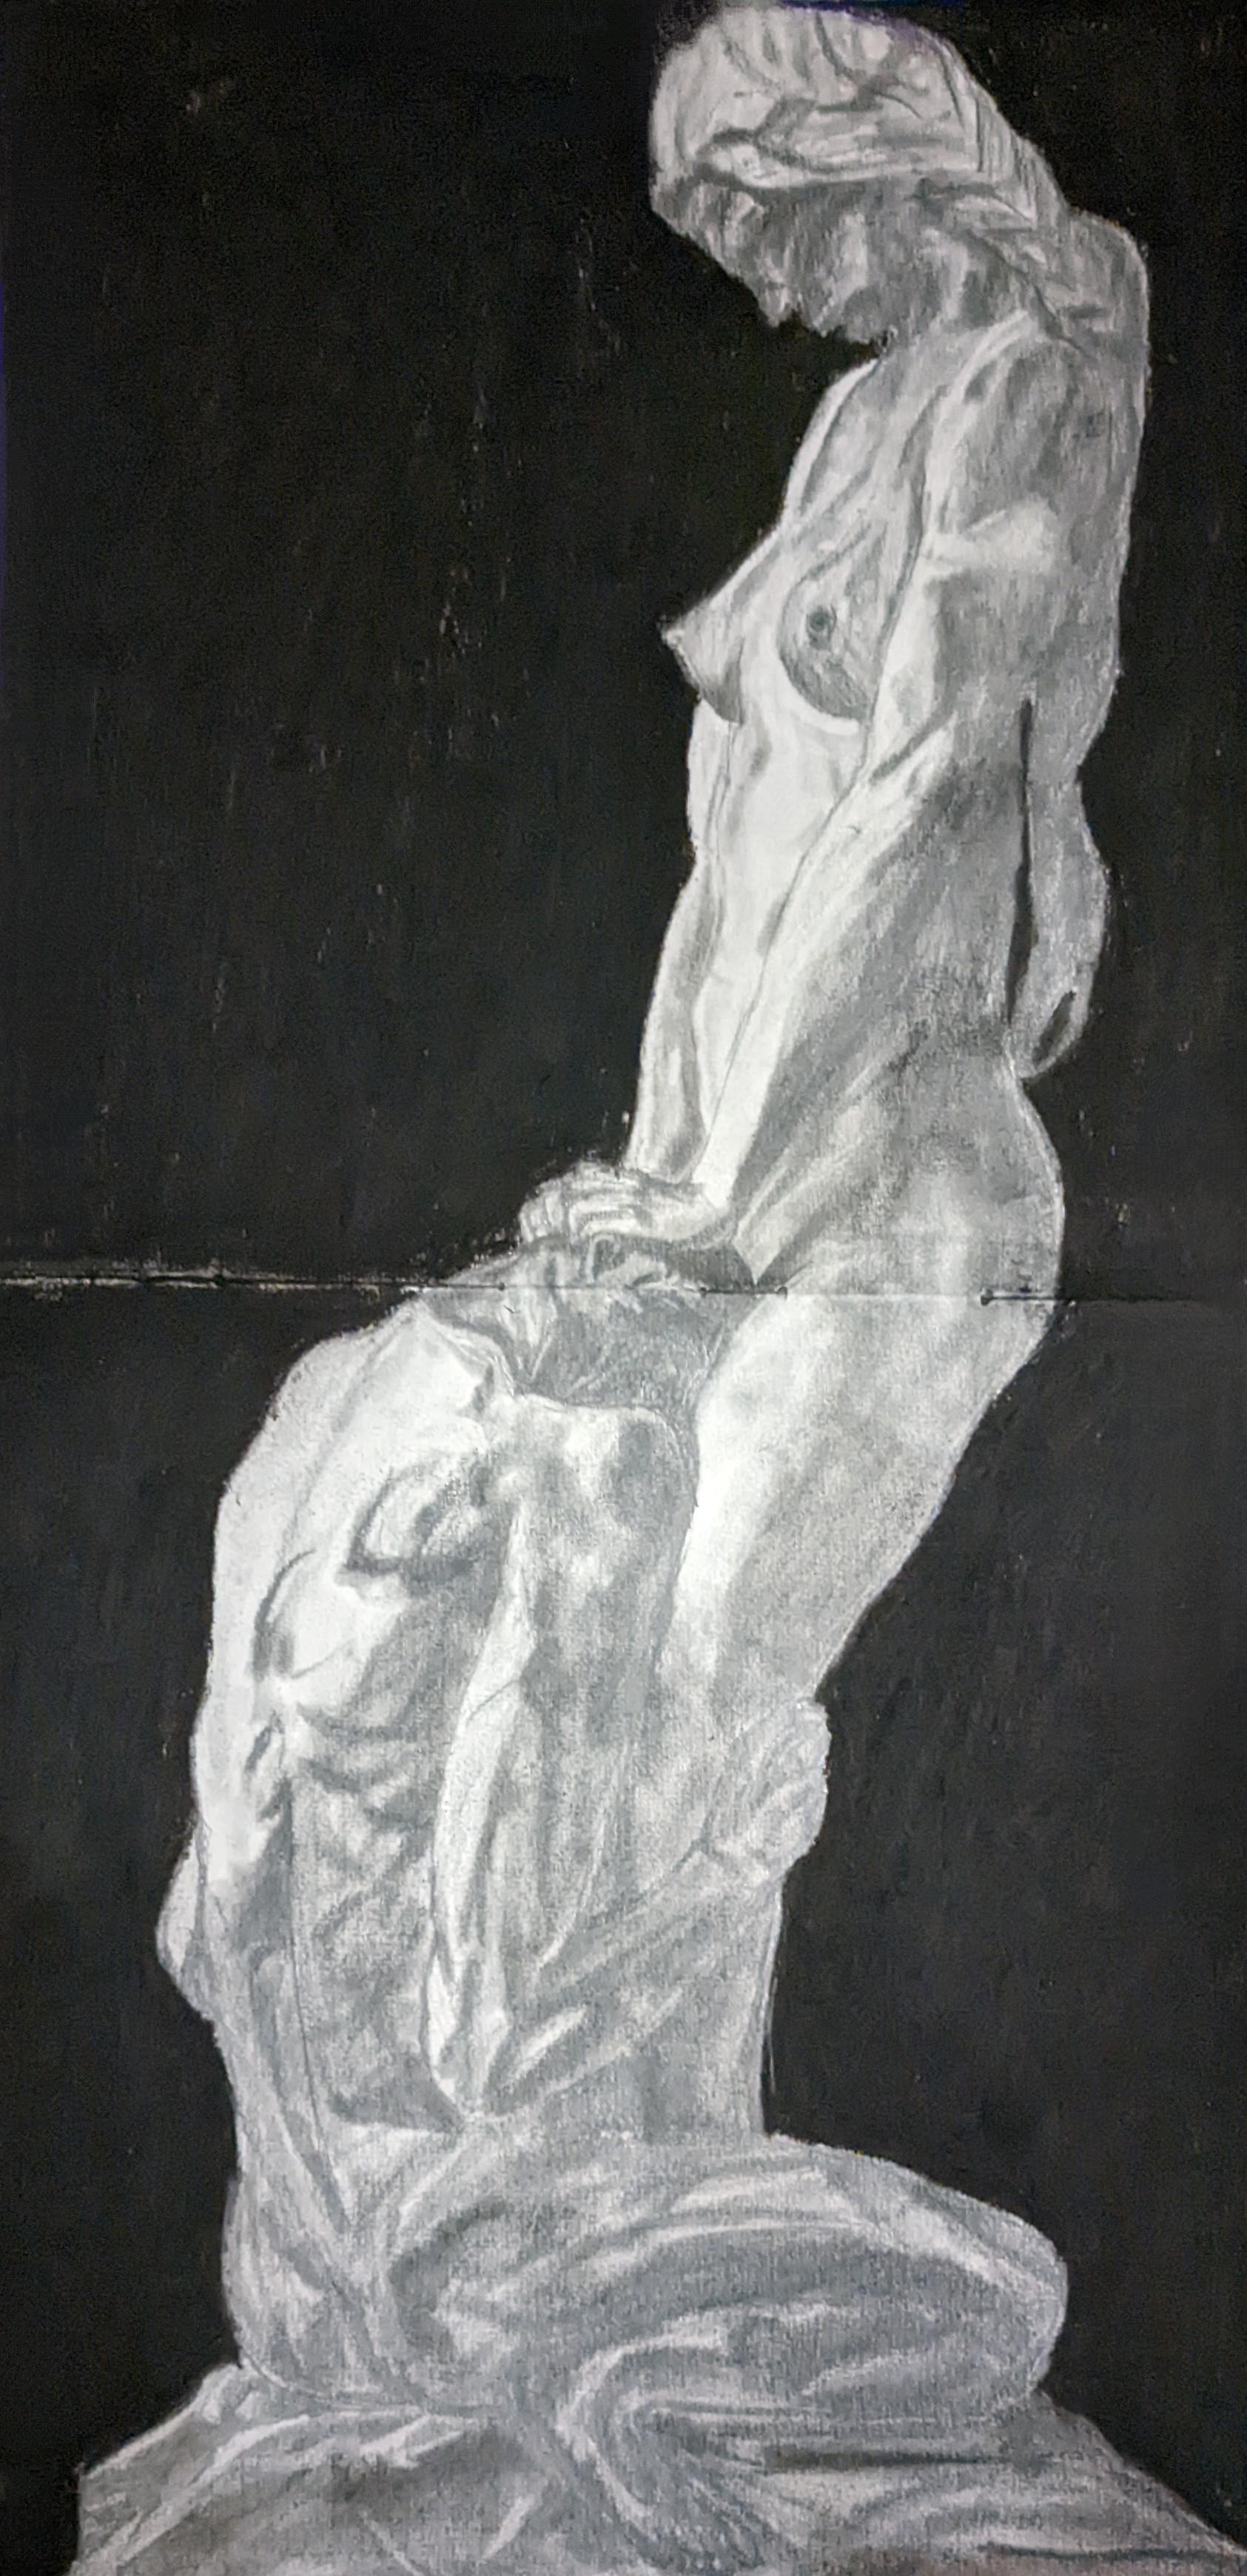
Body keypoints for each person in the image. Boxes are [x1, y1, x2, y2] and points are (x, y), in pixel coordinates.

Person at [79, 13, 1234, 2572]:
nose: (770, 277)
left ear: (866, 152)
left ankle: (624, 2330)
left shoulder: (1025, 370)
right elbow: (752, 861)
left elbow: (919, 806)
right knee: (543, 1618)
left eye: (768, 214)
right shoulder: (862, 428)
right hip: (740, 1142)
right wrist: (656, 1167)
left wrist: (719, 1190)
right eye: (729, 239)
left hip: (885, 1175)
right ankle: (516, 2289)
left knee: (692, 1719)